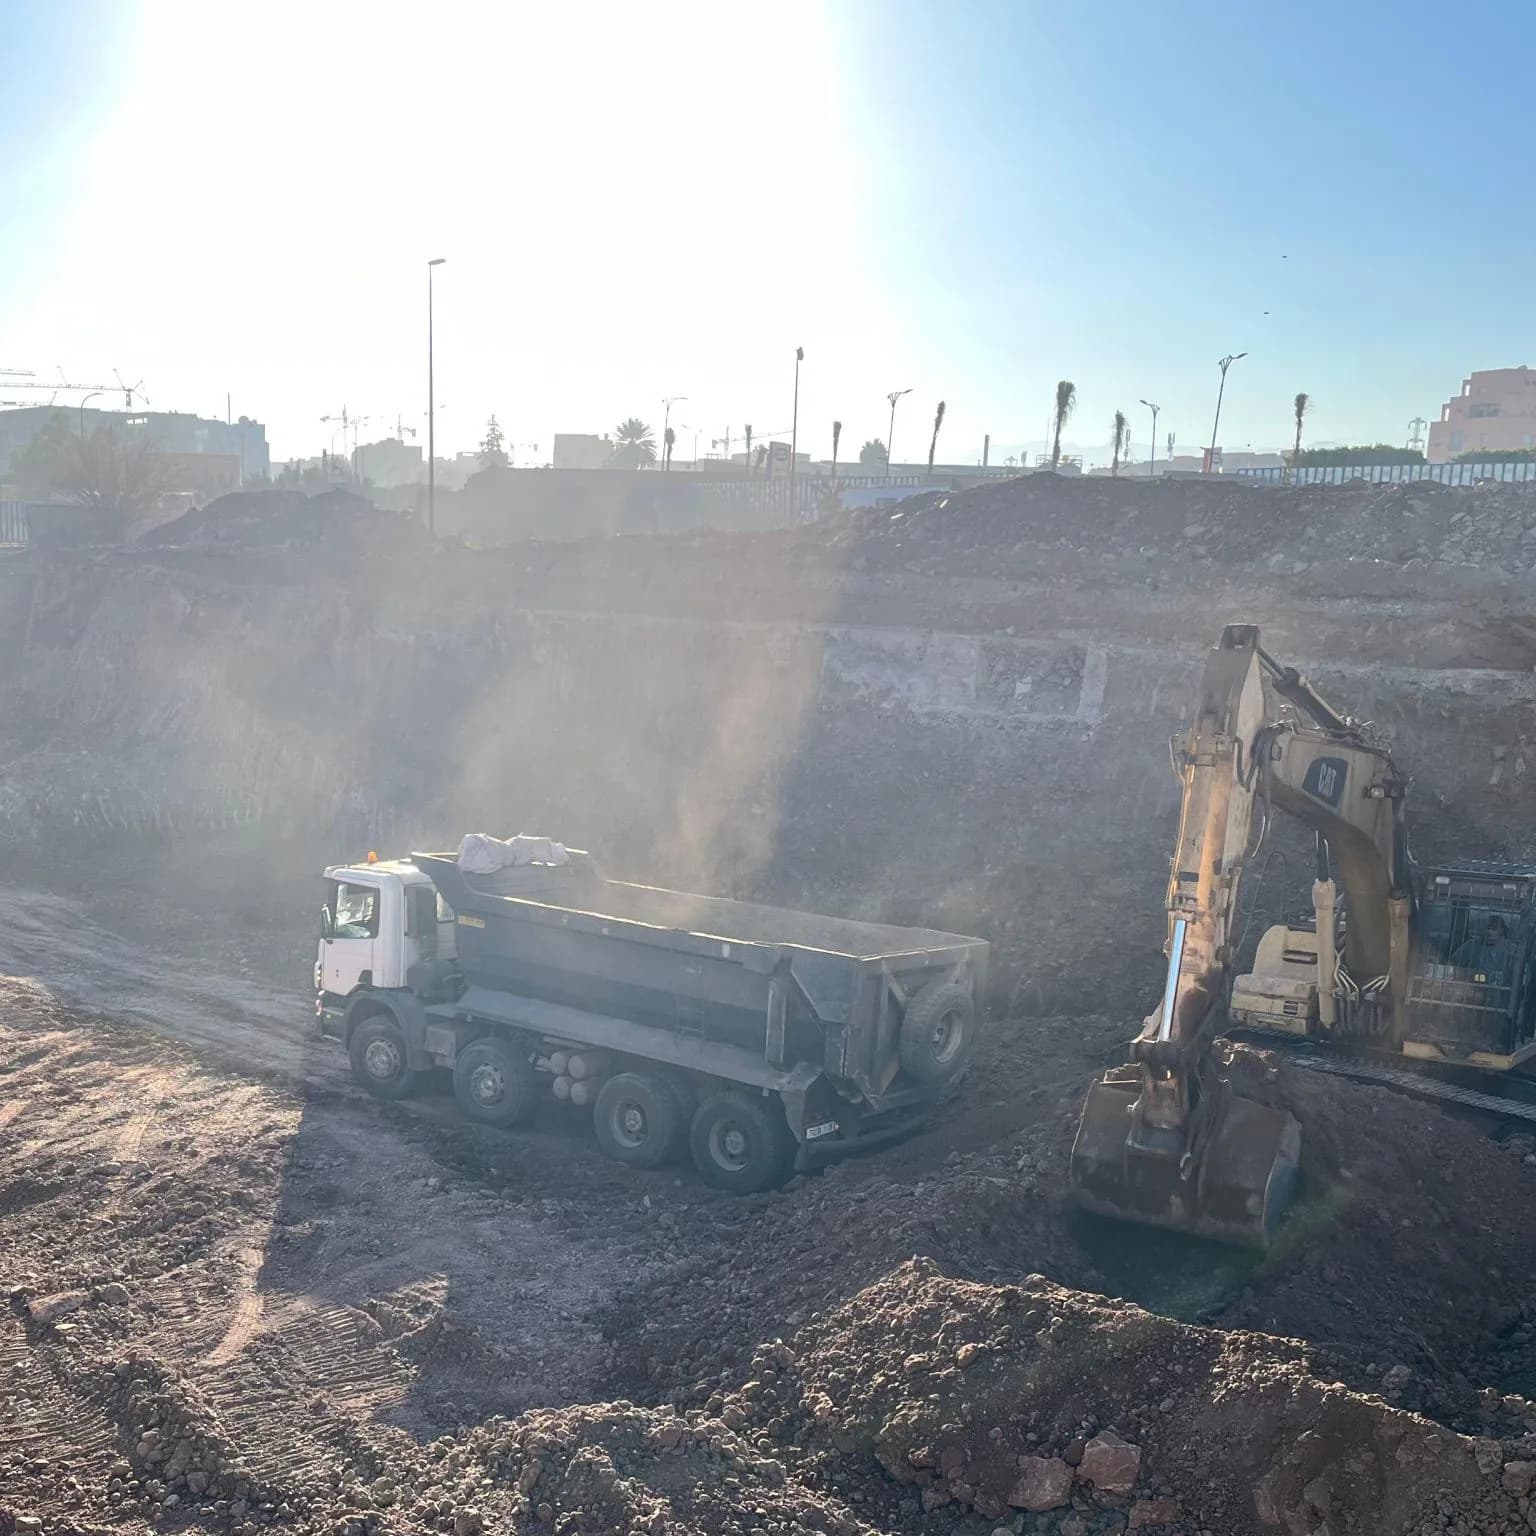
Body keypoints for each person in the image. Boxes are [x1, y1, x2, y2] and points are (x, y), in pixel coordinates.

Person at [1450, 914, 1513, 984]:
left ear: (1501, 931)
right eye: (1487, 928)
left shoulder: (1510, 948)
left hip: (1502, 987)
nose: (1489, 932)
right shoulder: (1472, 945)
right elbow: (1453, 963)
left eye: (1494, 929)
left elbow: (1515, 974)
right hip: (1473, 984)